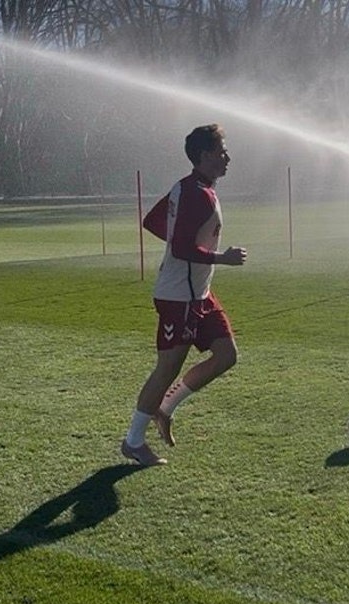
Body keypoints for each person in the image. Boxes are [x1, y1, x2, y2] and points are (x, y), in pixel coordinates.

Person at [121, 124, 247, 466]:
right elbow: (179, 248)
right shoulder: (195, 194)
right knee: (166, 369)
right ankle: (133, 442)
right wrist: (221, 257)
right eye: (222, 152)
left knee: (226, 355)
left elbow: (153, 222)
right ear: (205, 155)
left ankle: (164, 408)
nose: (227, 158)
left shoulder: (192, 187)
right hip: (179, 297)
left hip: (199, 294)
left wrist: (184, 238)